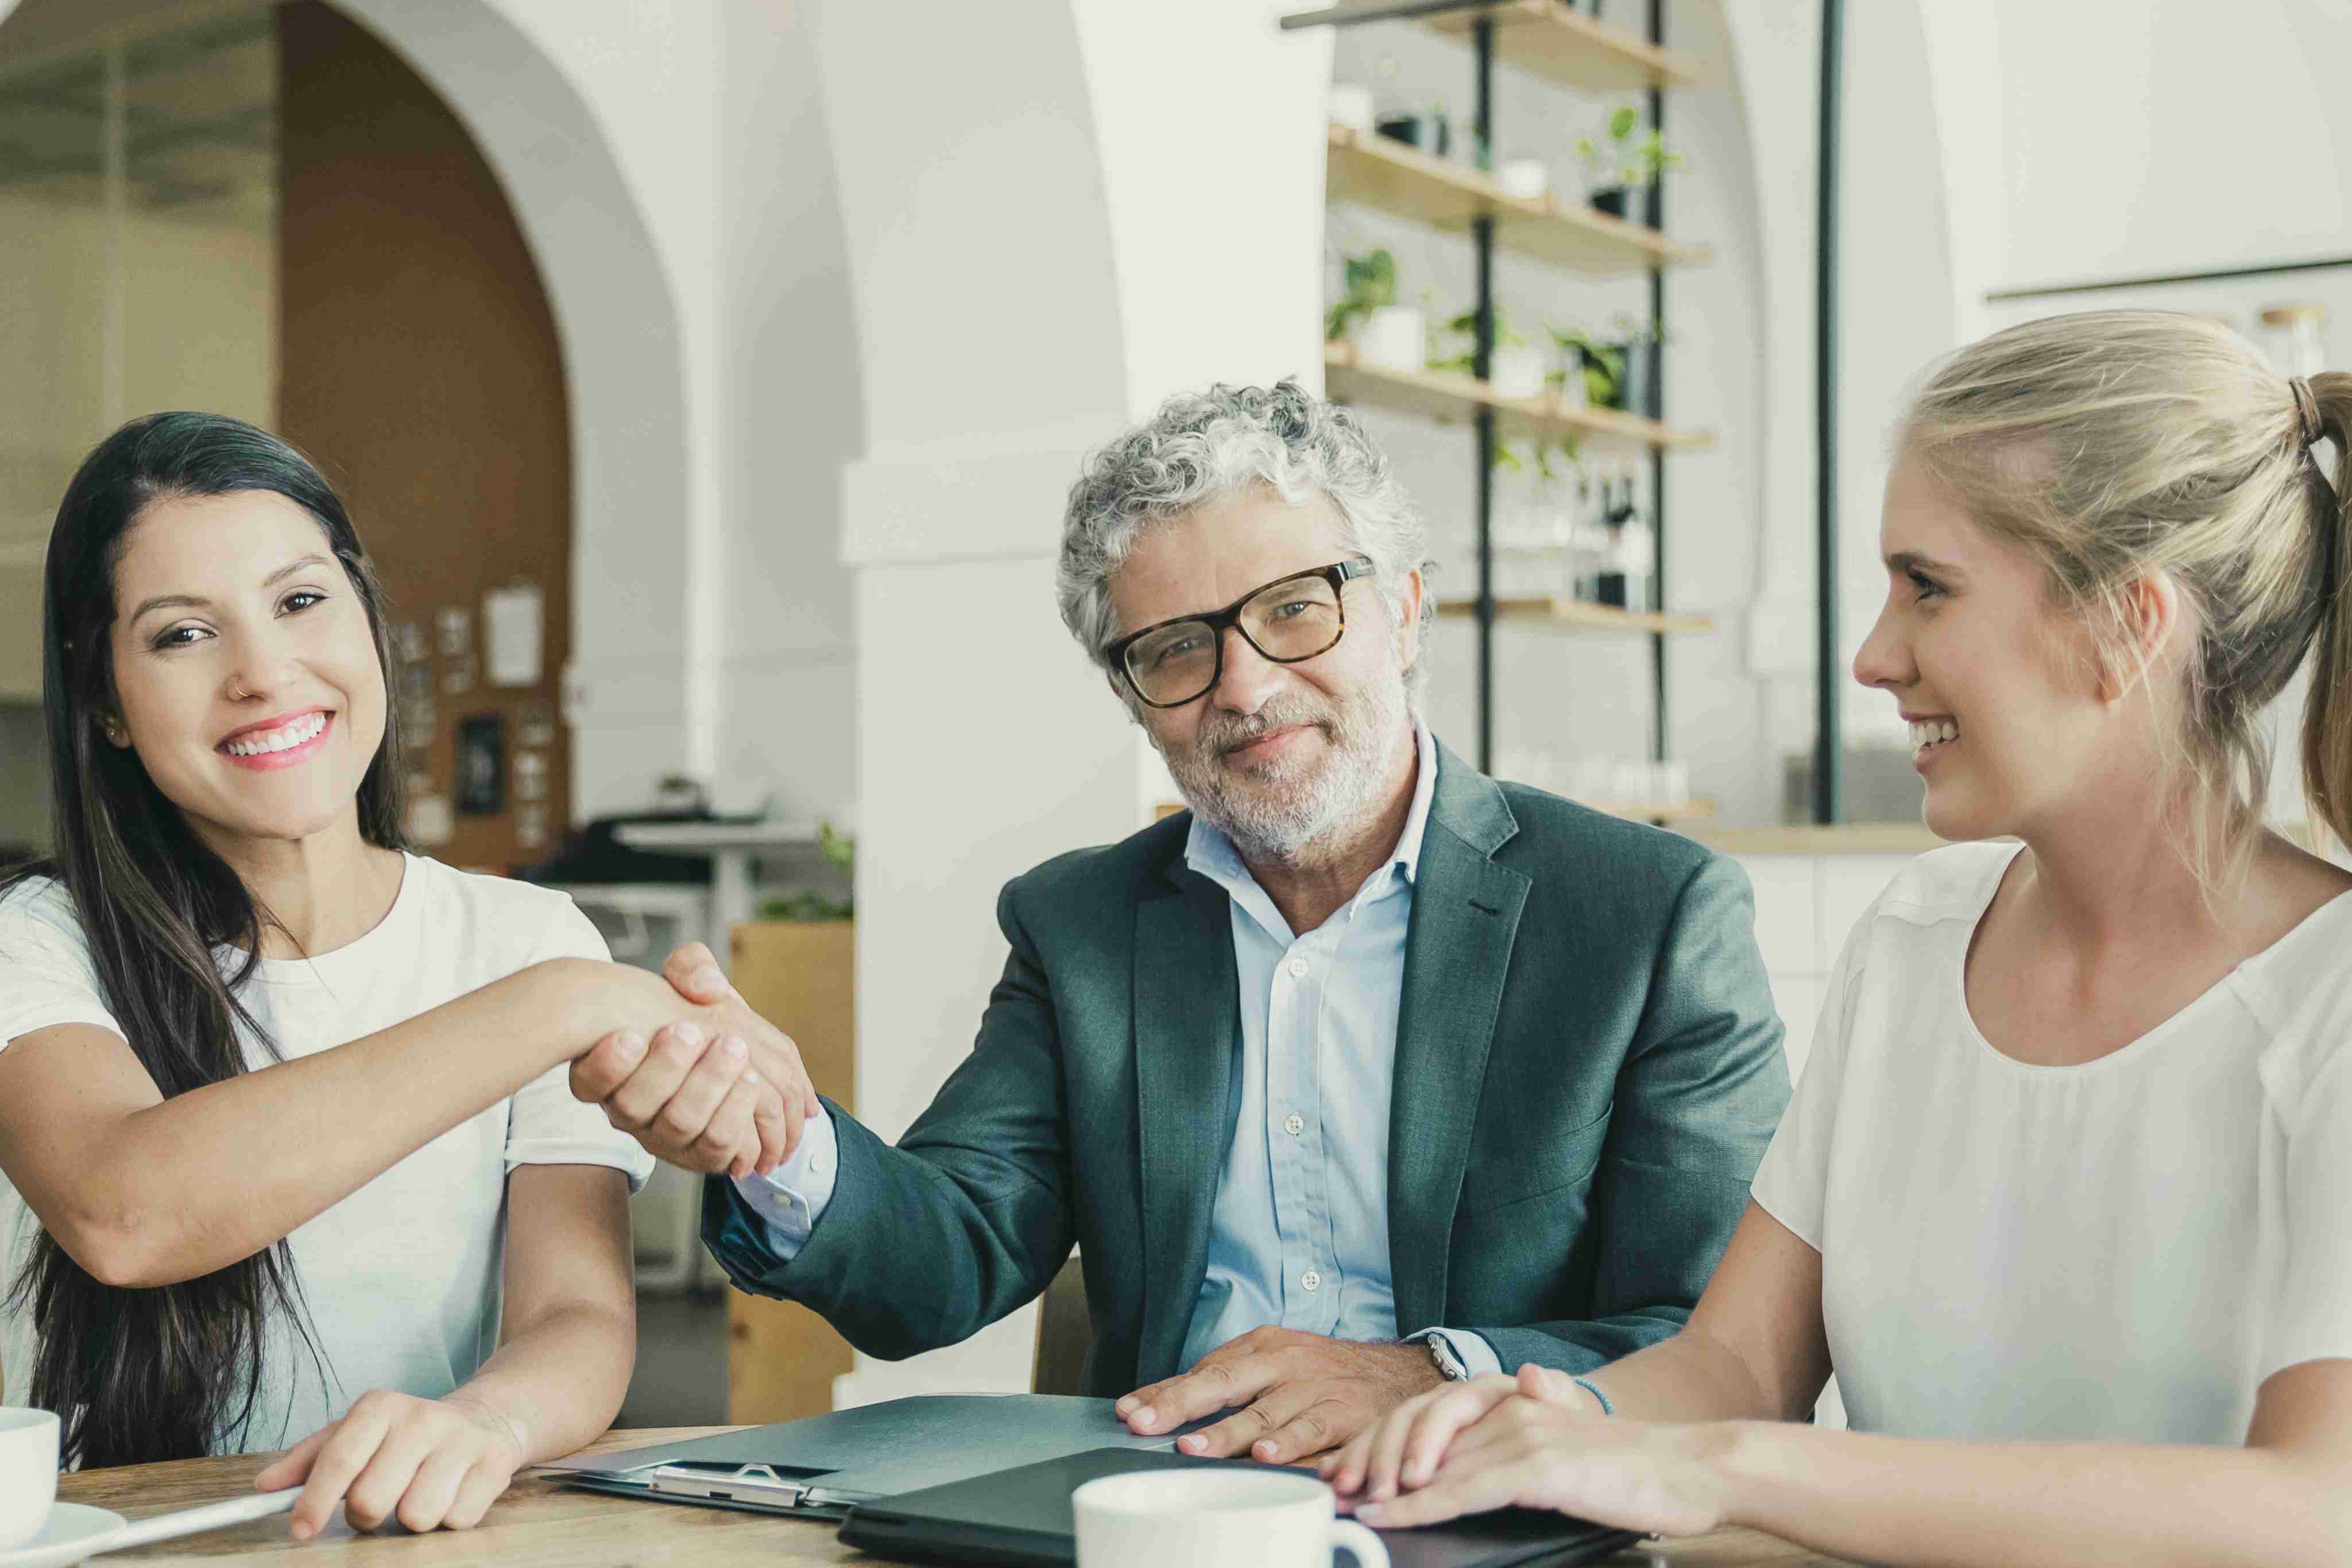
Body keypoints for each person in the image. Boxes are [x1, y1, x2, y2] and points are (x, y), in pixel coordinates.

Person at [572, 380, 1790, 1465]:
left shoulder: (1647, 916)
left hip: (1497, 1510)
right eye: (1175, 650)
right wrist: (776, 1139)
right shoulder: (1081, 924)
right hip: (1163, 1519)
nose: (1246, 687)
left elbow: (1710, 1343)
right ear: (1132, 698)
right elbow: (942, 1262)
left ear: (1404, 611)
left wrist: (1421, 1373)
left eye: (1296, 609)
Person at [1326, 312, 2352, 1567]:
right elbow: (1736, 1362)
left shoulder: (2330, 999)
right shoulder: (1912, 943)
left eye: (1927, 587)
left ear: (2125, 625)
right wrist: (1553, 1420)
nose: (1870, 655)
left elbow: (2316, 1509)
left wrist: (1716, 1468)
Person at [0, 413, 812, 1536]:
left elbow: (573, 1311)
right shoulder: (40, 940)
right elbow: (123, 1210)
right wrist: (563, 1003)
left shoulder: (526, 934)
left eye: (298, 601)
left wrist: (485, 1421)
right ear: (106, 704)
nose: (264, 671)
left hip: (414, 1541)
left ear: (365, 616)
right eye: (183, 634)